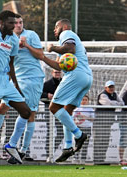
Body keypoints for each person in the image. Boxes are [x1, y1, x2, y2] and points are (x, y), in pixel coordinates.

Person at [0, 13, 44, 164]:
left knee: (29, 113)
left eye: (19, 22)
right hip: (6, 79)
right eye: (14, 22)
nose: (17, 25)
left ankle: (20, 149)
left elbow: (40, 55)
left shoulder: (30, 35)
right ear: (3, 23)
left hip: (31, 79)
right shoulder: (0, 34)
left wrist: (26, 45)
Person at [40, 19, 93, 163]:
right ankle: (67, 147)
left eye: (55, 28)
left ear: (63, 27)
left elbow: (70, 49)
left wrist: (53, 48)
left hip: (75, 75)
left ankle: (79, 135)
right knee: (67, 111)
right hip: (87, 77)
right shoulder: (68, 42)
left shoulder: (67, 33)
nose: (54, 31)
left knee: (54, 106)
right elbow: (58, 66)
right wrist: (43, 57)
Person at [94, 80, 124, 164]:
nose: (111, 89)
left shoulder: (115, 94)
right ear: (105, 87)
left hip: (108, 122)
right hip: (99, 122)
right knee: (99, 140)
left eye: (112, 87)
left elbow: (122, 103)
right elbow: (107, 103)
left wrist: (114, 103)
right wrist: (115, 103)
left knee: (105, 140)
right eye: (109, 87)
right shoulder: (102, 94)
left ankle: (102, 159)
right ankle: (97, 160)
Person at [41, 69, 63, 161]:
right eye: (55, 72)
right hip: (49, 110)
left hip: (61, 110)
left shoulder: (64, 82)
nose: (57, 74)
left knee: (61, 132)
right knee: (49, 132)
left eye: (59, 72)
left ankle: (53, 150)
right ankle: (48, 153)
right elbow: (40, 94)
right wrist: (47, 96)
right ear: (52, 73)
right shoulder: (47, 84)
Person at [73, 95, 94, 163]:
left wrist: (85, 117)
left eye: (85, 100)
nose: (84, 101)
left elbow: (93, 119)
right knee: (77, 143)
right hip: (79, 128)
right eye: (83, 99)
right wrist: (76, 122)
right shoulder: (77, 109)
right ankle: (75, 158)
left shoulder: (90, 109)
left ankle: (83, 159)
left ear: (88, 101)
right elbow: (72, 119)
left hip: (87, 128)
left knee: (85, 144)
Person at [120, 90, 127, 165]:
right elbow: (123, 104)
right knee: (123, 140)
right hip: (125, 121)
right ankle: (122, 159)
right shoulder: (125, 94)